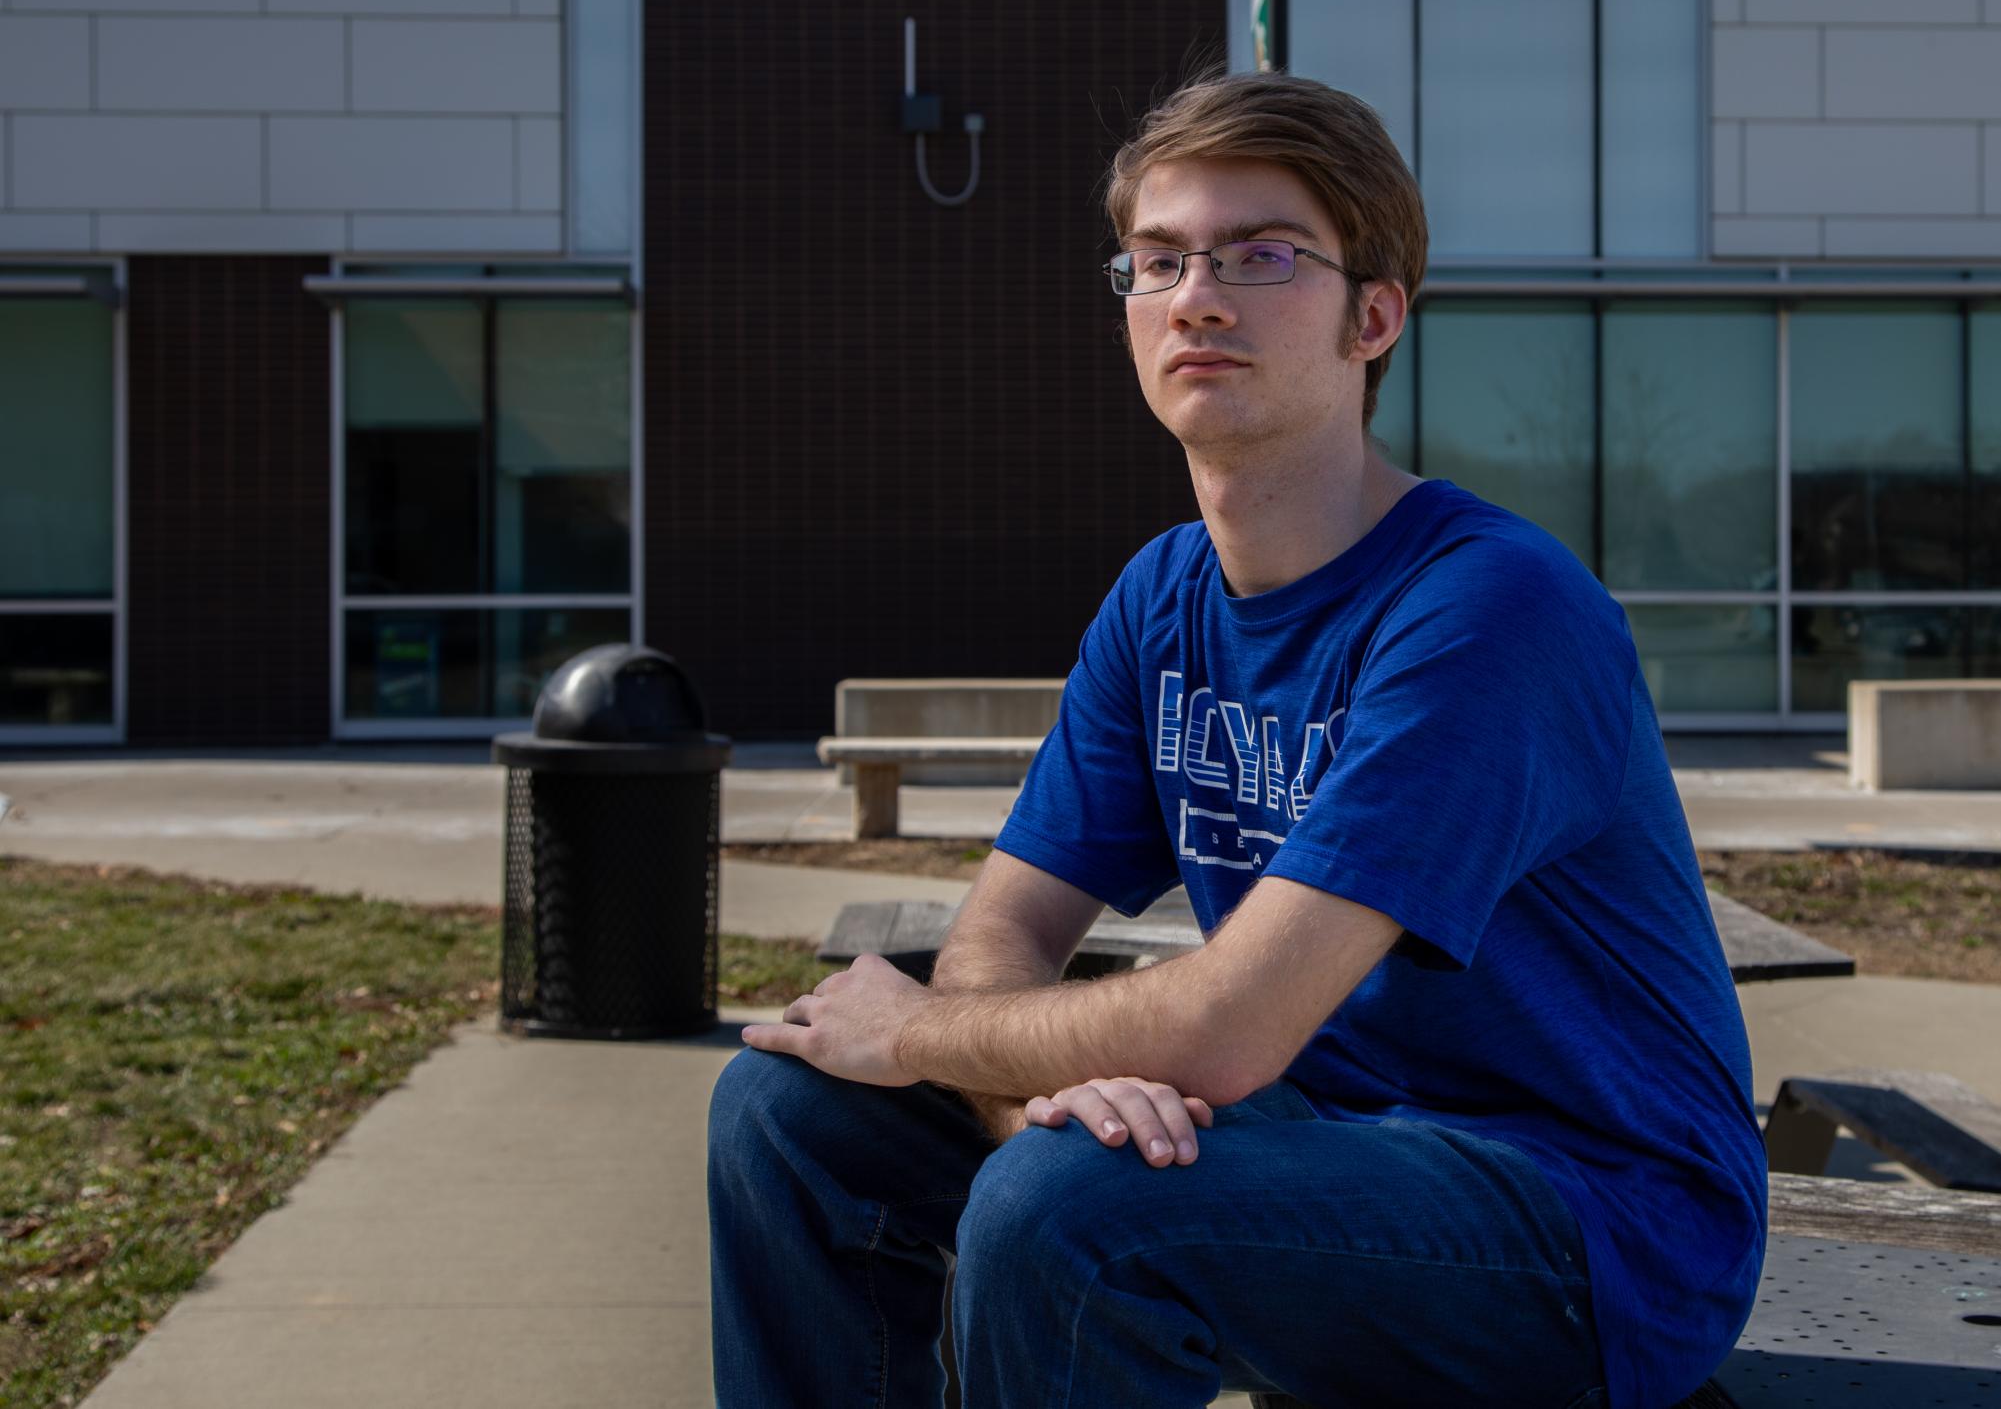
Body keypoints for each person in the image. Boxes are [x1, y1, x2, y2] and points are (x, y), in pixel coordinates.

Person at [707, 71, 1766, 1409]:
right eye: (1158, 261)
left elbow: (1226, 1029)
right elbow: (1003, 931)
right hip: (1313, 1132)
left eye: (1260, 256)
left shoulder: (1486, 606)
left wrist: (927, 1037)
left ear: (1369, 317)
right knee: (794, 1112)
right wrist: (1025, 1092)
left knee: (1070, 1214)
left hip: (1584, 1220)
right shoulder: (1165, 595)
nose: (1196, 295)